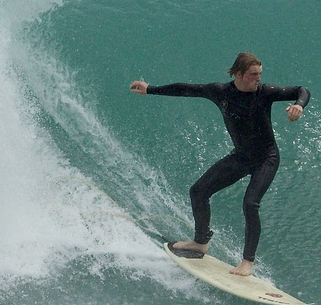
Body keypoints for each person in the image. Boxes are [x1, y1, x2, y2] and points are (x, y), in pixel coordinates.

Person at [130, 52, 309, 277]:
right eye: (253, 74)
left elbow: (302, 90)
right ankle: (200, 243)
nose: (258, 79)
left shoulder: (266, 93)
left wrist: (299, 105)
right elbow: (186, 89)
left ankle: (247, 263)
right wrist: (150, 89)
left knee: (250, 204)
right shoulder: (220, 92)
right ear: (239, 74)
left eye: (260, 74)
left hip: (266, 159)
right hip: (241, 157)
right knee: (198, 191)